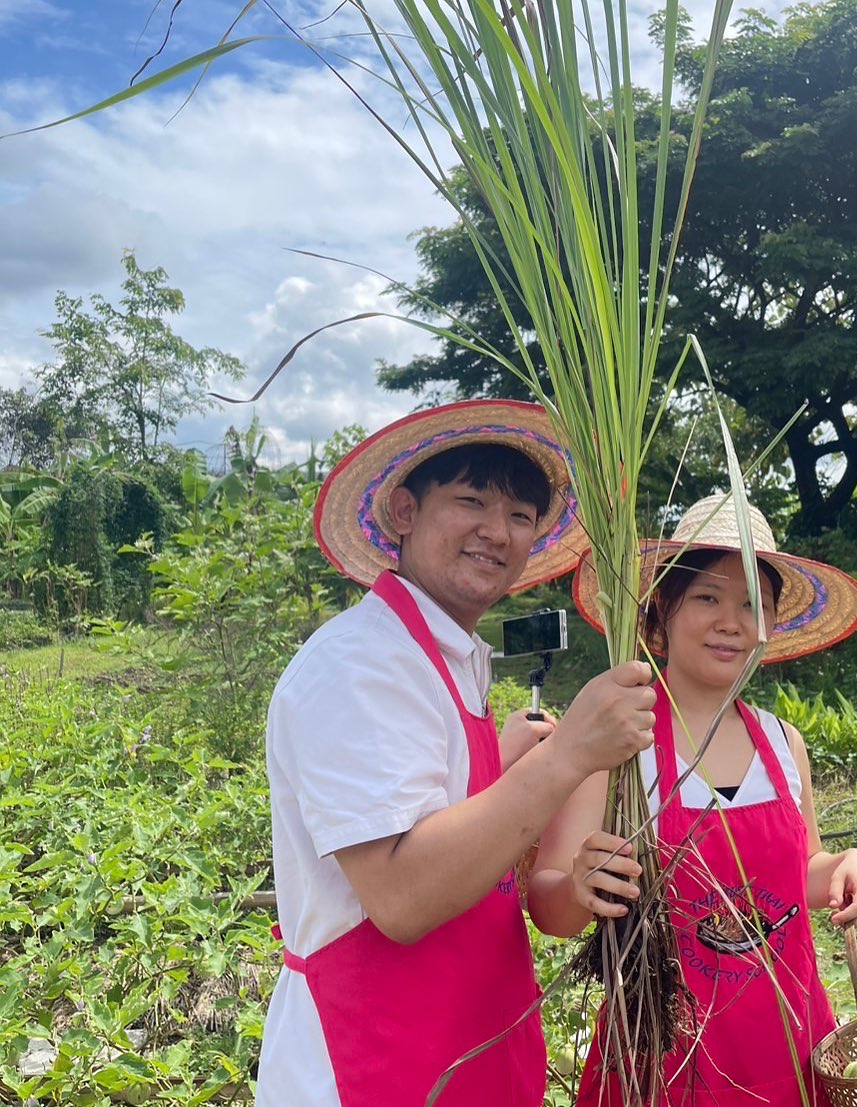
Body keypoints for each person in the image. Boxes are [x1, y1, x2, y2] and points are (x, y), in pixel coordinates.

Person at [255, 399, 657, 1107]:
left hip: (467, 1052)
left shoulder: (452, 657)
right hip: (373, 1066)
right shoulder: (357, 664)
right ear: (404, 512)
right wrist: (565, 754)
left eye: (521, 515)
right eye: (471, 499)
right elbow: (403, 896)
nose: (496, 531)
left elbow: (441, 826)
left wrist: (501, 768)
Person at [527, 492, 857, 1106]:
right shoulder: (618, 744)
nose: (731, 620)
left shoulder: (782, 742)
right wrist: (580, 886)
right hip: (663, 1055)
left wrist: (848, 868)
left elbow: (800, 876)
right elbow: (549, 905)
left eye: (753, 605)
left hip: (790, 1040)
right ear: (659, 614)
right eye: (708, 597)